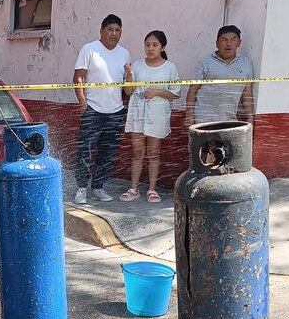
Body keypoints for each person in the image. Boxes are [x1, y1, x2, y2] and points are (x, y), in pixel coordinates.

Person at [73, 14, 130, 204]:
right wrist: (82, 102)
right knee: (85, 151)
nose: (114, 34)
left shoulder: (124, 54)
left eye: (117, 30)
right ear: (102, 31)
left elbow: (126, 85)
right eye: (110, 30)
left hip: (115, 112)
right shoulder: (89, 49)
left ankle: (98, 187)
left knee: (108, 152)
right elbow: (78, 77)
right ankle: (81, 188)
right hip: (93, 110)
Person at [120, 31, 181, 204]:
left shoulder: (170, 67)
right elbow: (128, 91)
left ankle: (152, 190)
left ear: (162, 47)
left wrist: (158, 92)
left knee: (153, 154)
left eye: (154, 45)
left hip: (157, 116)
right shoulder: (137, 65)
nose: (150, 48)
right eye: (147, 45)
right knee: (137, 153)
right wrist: (129, 74)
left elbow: (176, 93)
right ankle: (134, 189)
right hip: (137, 114)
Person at [186, 25, 255, 125]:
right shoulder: (204, 63)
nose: (229, 44)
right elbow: (192, 90)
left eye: (233, 40)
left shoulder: (246, 64)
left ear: (239, 43)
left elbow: (247, 93)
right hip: (203, 120)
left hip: (229, 120)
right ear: (217, 43)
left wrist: (250, 117)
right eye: (224, 40)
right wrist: (189, 116)